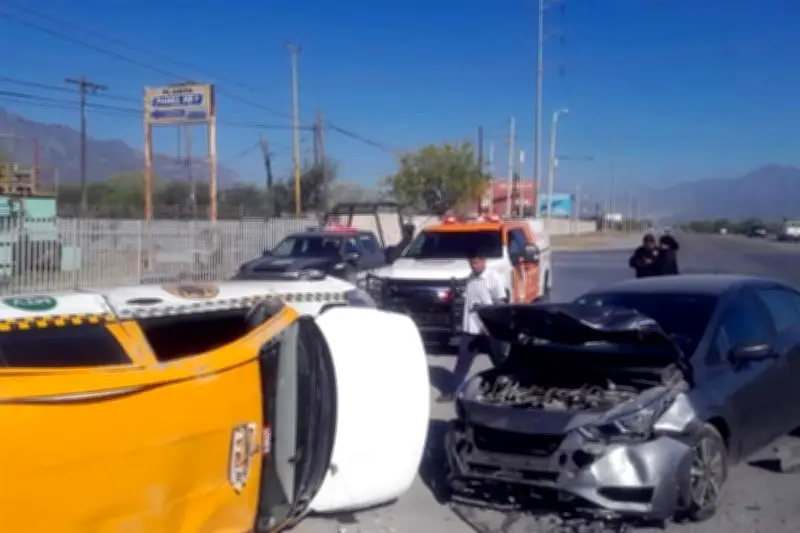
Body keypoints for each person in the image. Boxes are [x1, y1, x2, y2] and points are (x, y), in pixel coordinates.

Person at [436, 249, 508, 403]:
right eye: (471, 263)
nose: (473, 266)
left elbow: (501, 303)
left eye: (476, 263)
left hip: (489, 331)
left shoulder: (493, 278)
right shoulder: (470, 278)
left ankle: (509, 389)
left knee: (500, 361)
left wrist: (493, 324)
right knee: (463, 361)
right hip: (470, 330)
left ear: (484, 261)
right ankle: (451, 391)